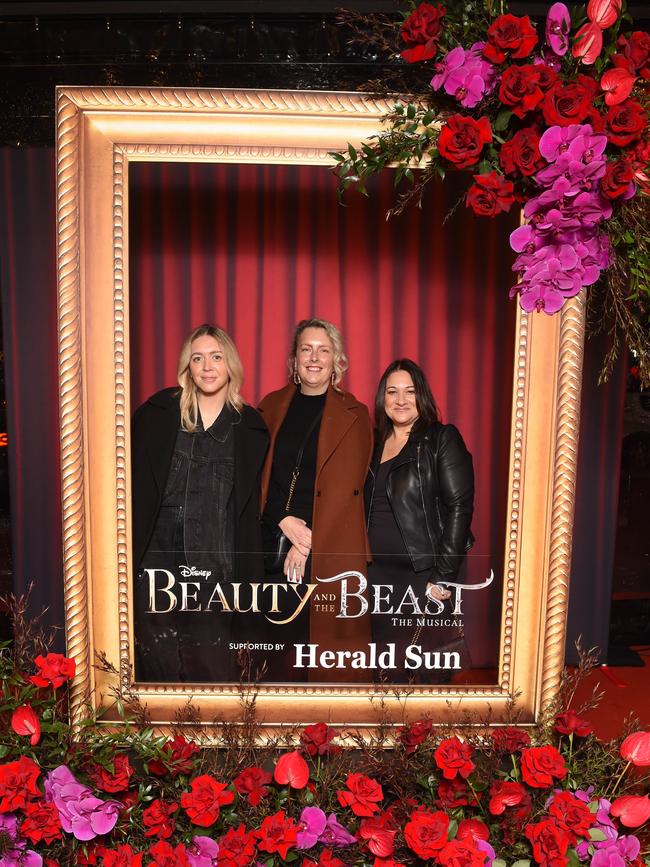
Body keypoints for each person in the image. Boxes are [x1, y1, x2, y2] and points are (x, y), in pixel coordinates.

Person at [131, 323, 269, 683]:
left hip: (215, 571)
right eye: (198, 358)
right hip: (155, 565)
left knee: (211, 673)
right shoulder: (156, 416)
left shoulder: (251, 428)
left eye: (216, 357)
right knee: (156, 670)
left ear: (230, 365)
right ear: (187, 368)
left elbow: (254, 508)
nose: (207, 366)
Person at [255, 318, 373, 682]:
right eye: (306, 348)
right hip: (274, 545)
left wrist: (306, 542)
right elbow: (258, 478)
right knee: (279, 657)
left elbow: (348, 490)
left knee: (330, 662)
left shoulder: (356, 414)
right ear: (294, 359)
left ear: (336, 358)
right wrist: (285, 521)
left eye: (324, 350)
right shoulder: (270, 407)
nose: (314, 357)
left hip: (331, 549)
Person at [365, 358, 474, 681]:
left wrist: (443, 575)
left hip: (422, 574)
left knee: (422, 669)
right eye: (392, 392)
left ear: (422, 396)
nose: (400, 400)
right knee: (382, 667)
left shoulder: (441, 439)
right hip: (376, 575)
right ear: (382, 399)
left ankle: (419, 733)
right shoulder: (372, 443)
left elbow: (460, 508)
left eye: (409, 392)